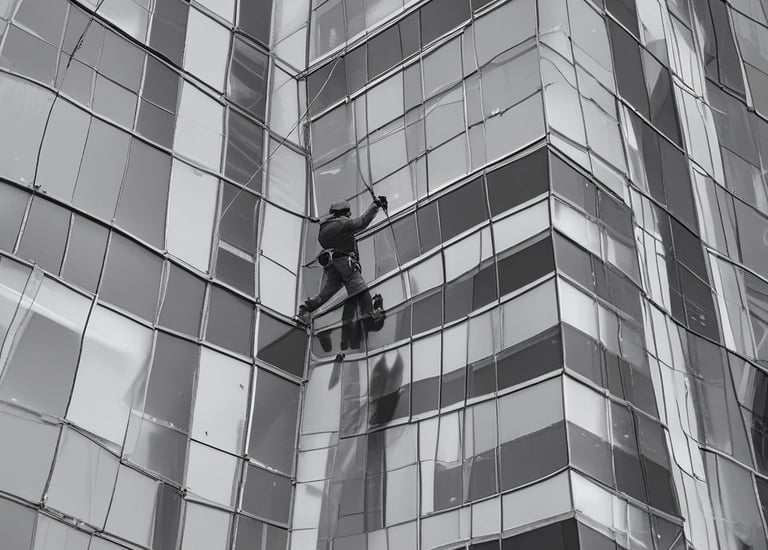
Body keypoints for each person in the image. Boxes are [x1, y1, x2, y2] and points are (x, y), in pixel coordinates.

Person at [299, 196, 387, 325]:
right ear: (343, 211)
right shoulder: (343, 223)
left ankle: (306, 308)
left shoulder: (323, 229)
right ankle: (370, 315)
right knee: (359, 286)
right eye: (348, 211)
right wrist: (376, 204)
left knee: (326, 292)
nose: (350, 214)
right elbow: (363, 222)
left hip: (331, 265)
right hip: (345, 262)